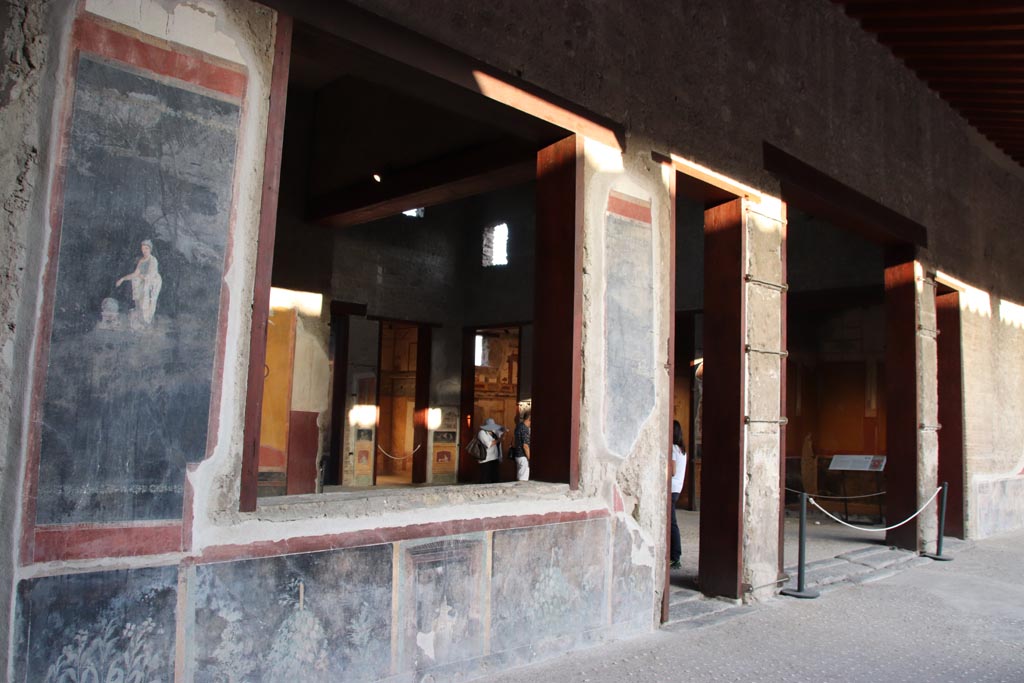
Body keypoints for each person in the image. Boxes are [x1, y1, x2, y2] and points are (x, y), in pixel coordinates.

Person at [116, 239, 162, 328]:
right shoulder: (141, 261)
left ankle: (147, 321)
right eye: (143, 248)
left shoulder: (153, 260)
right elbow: (135, 274)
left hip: (153, 282)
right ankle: (141, 320)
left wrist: (141, 277)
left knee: (149, 300)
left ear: (150, 249)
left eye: (146, 248)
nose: (144, 250)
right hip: (144, 280)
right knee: (137, 288)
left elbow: (150, 275)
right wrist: (122, 279)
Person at [669, 419, 687, 570]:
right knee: (672, 521)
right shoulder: (682, 449)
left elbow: (672, 471)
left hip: (671, 487)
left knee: (672, 523)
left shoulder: (673, 449)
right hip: (677, 488)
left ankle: (675, 557)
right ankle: (674, 555)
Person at [477, 417, 504, 484]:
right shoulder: (482, 433)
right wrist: (498, 440)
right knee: (485, 478)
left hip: (494, 458)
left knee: (495, 478)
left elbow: (501, 431)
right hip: (486, 459)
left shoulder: (494, 433)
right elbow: (488, 444)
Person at [512, 409, 531, 481]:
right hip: (523, 457)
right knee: (523, 479)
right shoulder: (524, 429)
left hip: (518, 455)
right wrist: (530, 458)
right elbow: (525, 446)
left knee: (520, 476)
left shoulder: (519, 426)